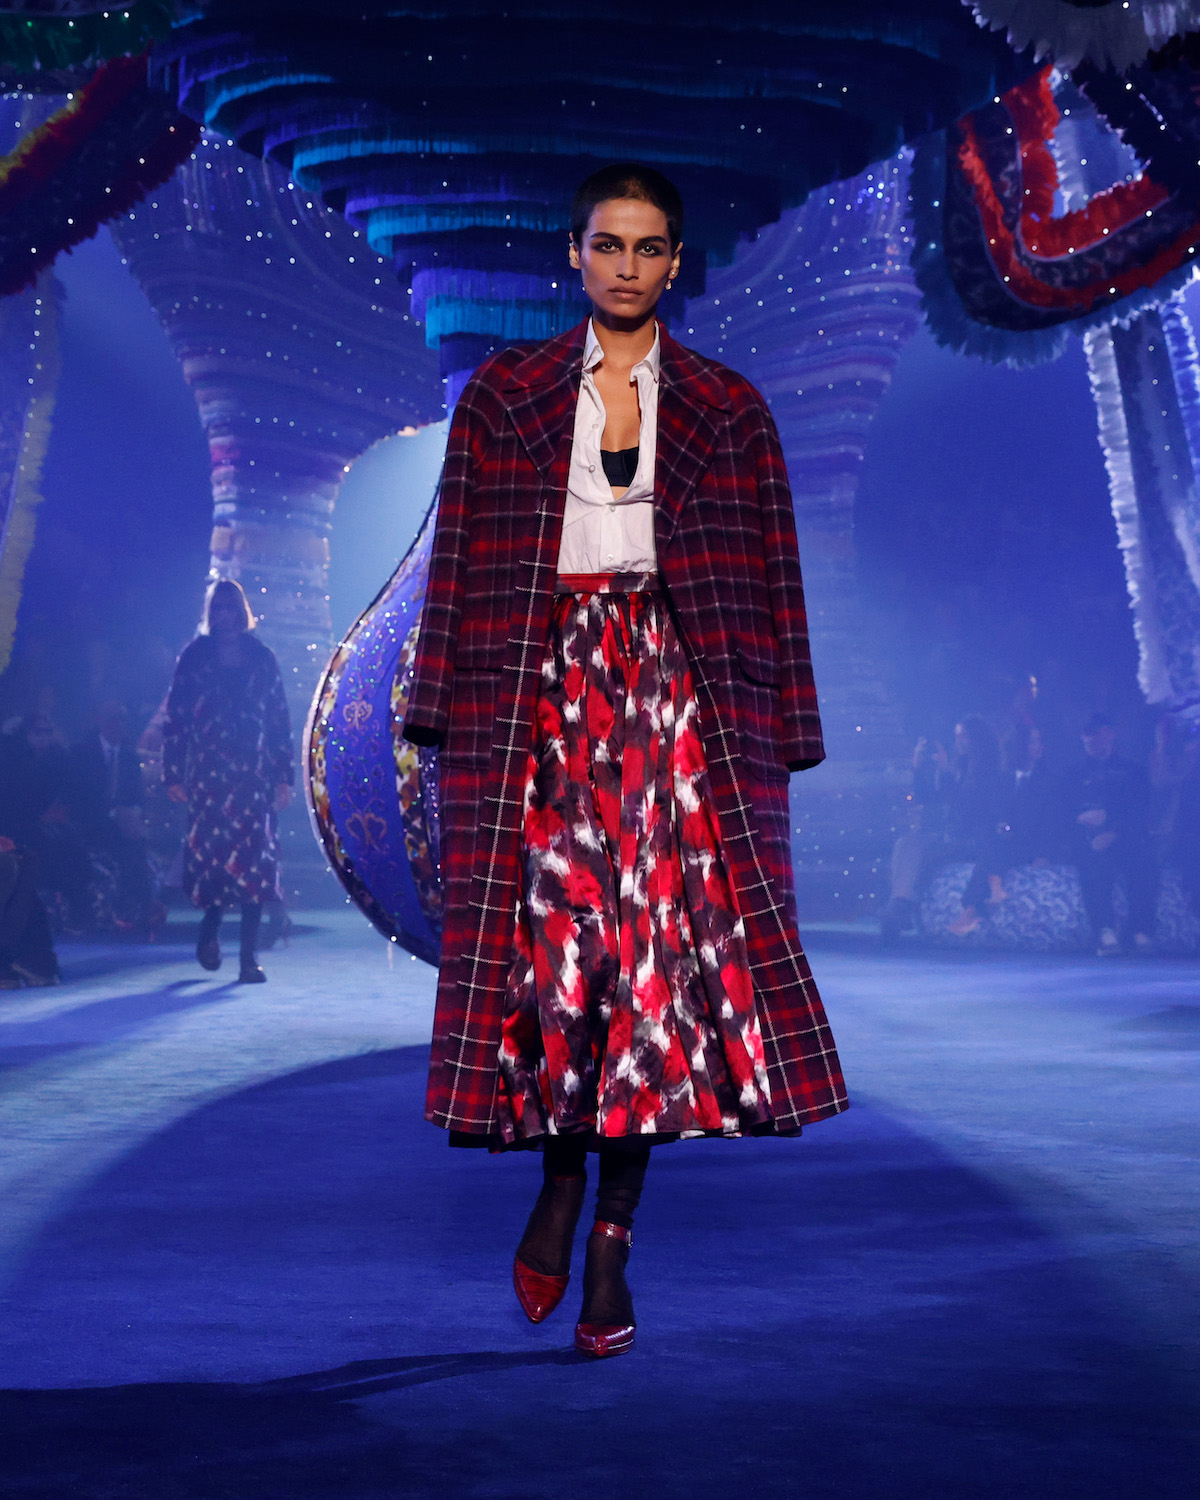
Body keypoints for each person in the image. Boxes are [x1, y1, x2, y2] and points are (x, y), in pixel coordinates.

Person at [402, 163, 846, 1359]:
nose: (627, 266)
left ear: (674, 263)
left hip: (678, 700)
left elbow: (776, 572)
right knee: (562, 969)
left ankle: (611, 1239)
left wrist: (789, 722)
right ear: (575, 253)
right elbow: (457, 558)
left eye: (649, 248)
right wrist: (434, 705)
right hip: (537, 697)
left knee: (654, 979)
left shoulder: (729, 408)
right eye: (608, 244)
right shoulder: (502, 397)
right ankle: (560, 1184)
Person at [162, 579, 293, 982]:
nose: (225, 616)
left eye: (231, 607)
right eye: (217, 608)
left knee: (255, 862)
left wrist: (283, 775)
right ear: (210, 613)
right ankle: (210, 930)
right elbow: (176, 718)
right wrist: (172, 771)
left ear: (242, 611)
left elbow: (279, 719)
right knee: (213, 860)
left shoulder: (262, 658)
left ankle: (248, 959)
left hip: (253, 774)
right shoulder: (194, 656)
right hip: (208, 776)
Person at [947, 720, 1057, 937]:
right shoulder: (1001, 779)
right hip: (1002, 841)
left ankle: (974, 907)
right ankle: (991, 891)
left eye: (1039, 741)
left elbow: (1051, 823)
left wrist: (1043, 853)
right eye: (1032, 742)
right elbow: (989, 813)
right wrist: (1001, 825)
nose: (1038, 747)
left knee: (995, 844)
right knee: (992, 838)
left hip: (1029, 843)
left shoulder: (1048, 782)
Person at [1062, 712, 1155, 954]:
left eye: (1099, 735)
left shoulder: (1133, 772)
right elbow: (1062, 813)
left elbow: (1140, 812)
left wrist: (1113, 828)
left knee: (1142, 862)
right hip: (1088, 841)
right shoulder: (1073, 774)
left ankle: (1140, 930)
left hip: (1125, 837)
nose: (1094, 741)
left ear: (1111, 734)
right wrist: (1082, 820)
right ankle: (1105, 930)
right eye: (1089, 736)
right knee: (1093, 864)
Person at [68, 701, 157, 933]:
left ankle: (142, 911)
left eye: (122, 719)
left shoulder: (129, 757)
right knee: (127, 847)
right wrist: (110, 813)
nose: (117, 724)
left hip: (121, 825)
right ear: (99, 720)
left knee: (135, 846)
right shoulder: (81, 753)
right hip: (89, 823)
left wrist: (134, 815)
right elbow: (77, 795)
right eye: (112, 718)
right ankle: (127, 909)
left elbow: (137, 797)